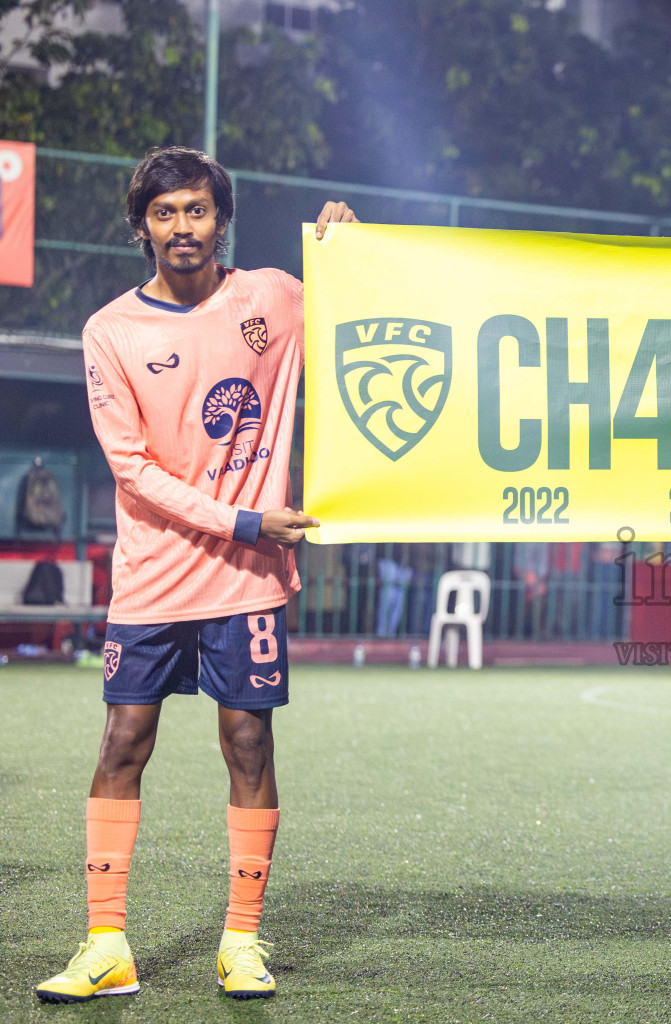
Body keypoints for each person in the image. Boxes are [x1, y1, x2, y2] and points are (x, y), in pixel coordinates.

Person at [33, 146, 358, 1003]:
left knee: (249, 741)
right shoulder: (110, 330)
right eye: (166, 213)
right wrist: (247, 519)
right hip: (153, 574)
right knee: (123, 742)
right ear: (142, 226)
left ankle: (241, 942)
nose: (184, 227)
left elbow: (365, 312)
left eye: (198, 211)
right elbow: (133, 470)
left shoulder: (274, 299)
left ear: (222, 220)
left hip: (246, 578)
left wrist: (351, 252)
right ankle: (107, 943)